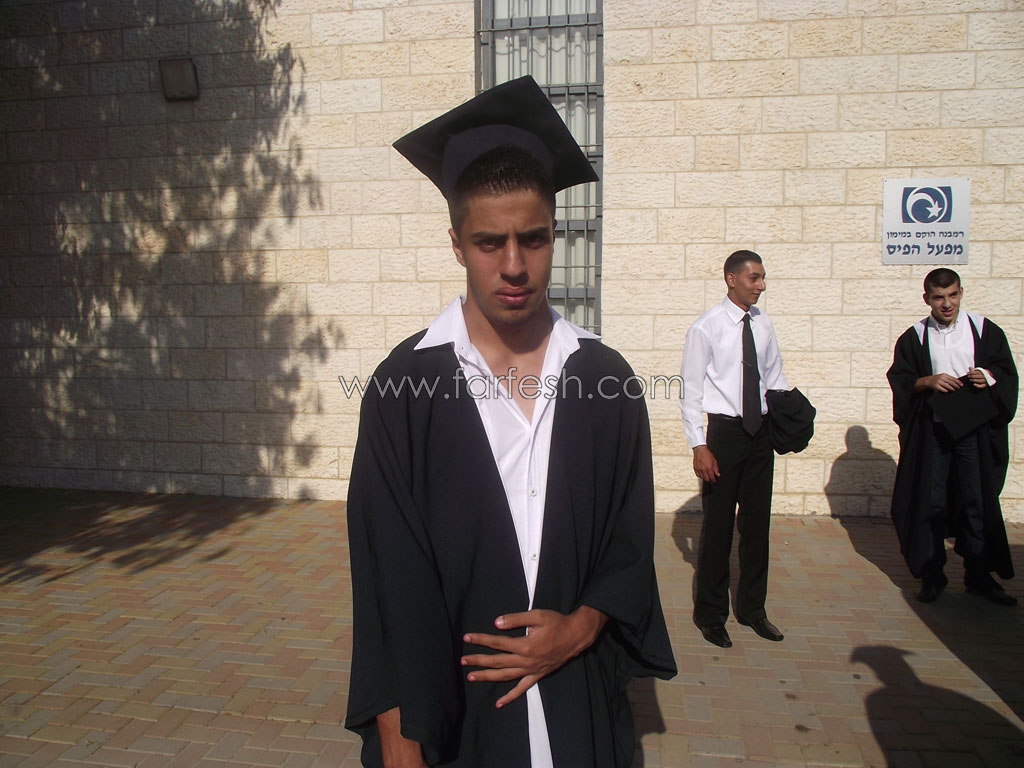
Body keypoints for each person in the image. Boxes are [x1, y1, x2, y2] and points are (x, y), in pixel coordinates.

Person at [344, 76, 676, 768]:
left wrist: (581, 628)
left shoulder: (605, 380)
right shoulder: (404, 390)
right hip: (454, 718)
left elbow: (628, 542)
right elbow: (384, 588)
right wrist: (400, 748)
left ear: (556, 235)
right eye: (490, 242)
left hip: (578, 705)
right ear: (457, 243)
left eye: (534, 238)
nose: (515, 265)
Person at [887, 268, 1017, 605]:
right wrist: (928, 381)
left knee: (977, 500)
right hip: (933, 430)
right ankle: (933, 576)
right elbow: (901, 379)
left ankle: (979, 575)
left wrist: (987, 375)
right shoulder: (915, 337)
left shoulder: (984, 330)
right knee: (931, 501)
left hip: (972, 431)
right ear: (927, 299)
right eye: (939, 297)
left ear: (961, 293)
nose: (947, 304)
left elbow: (1006, 371)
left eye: (953, 295)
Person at [679, 250, 788, 648]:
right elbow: (690, 391)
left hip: (760, 434)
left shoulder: (763, 323)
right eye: (754, 278)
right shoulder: (705, 328)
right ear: (731, 278)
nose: (762, 285)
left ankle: (753, 610)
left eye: (762, 278)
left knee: (757, 528)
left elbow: (774, 377)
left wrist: (789, 418)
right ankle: (711, 615)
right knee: (718, 529)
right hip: (724, 435)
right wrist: (699, 445)